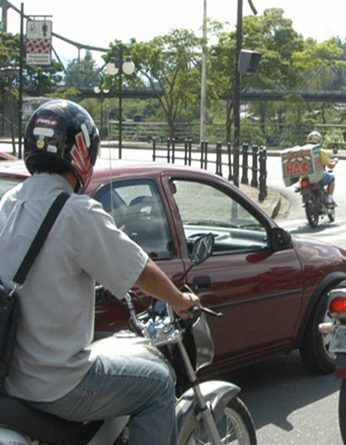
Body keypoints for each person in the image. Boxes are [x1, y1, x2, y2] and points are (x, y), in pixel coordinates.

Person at [0, 100, 199, 445]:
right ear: (81, 153)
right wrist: (180, 299)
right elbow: (140, 270)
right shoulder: (78, 212)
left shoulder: (9, 203)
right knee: (158, 384)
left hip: (12, 377)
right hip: (57, 384)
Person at [306, 130, 338, 206]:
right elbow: (330, 166)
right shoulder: (320, 151)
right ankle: (329, 199)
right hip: (318, 177)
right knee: (332, 178)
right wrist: (335, 161)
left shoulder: (302, 151)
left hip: (305, 178)